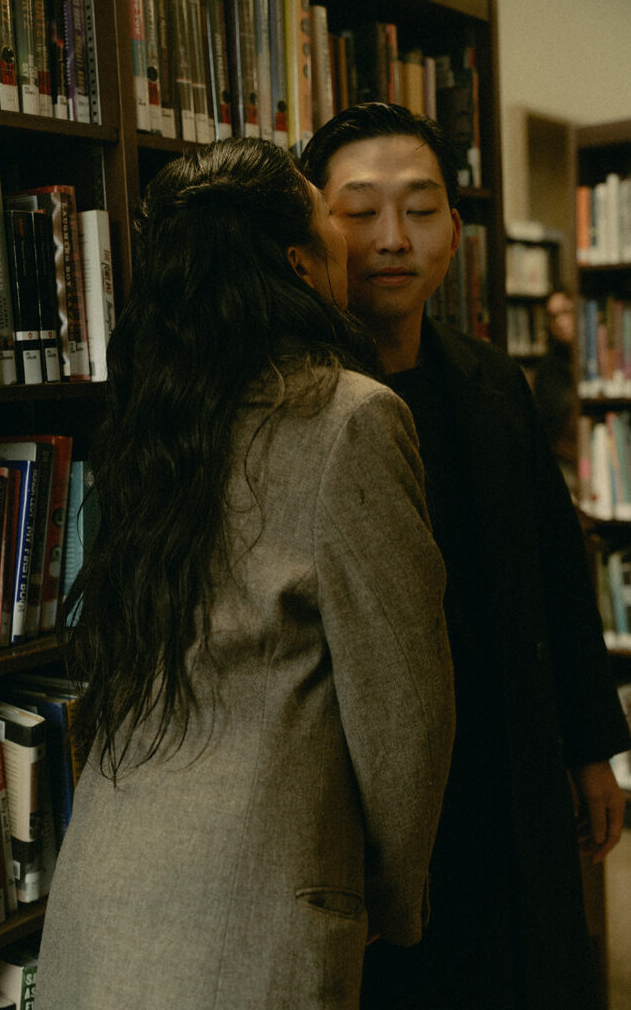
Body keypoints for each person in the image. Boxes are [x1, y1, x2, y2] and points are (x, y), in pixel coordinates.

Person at [34, 137, 455, 1010]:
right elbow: (402, 704)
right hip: (262, 907)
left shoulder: (155, 420)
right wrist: (391, 894)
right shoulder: (350, 418)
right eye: (329, 219)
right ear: (298, 264)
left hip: (104, 897)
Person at [301, 103, 631, 1010]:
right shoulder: (288, 403)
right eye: (359, 210)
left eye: (419, 207)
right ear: (309, 228)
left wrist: (594, 746)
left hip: (508, 763)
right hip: (369, 798)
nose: (392, 239)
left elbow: (556, 572)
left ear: (455, 229)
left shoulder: (490, 382)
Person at [533, 290, 577, 490]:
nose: (560, 321)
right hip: (565, 461)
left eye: (566, 312)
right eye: (553, 316)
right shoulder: (548, 368)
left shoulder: (599, 353)